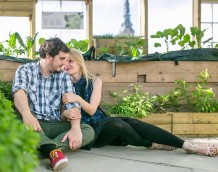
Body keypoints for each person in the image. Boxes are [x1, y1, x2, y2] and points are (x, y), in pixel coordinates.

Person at [62, 48, 218, 157]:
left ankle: (187, 145)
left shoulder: (95, 81)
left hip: (101, 122)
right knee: (119, 124)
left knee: (133, 122)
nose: (66, 64)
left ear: (79, 62)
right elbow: (72, 113)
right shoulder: (63, 84)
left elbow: (92, 109)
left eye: (70, 61)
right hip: (88, 131)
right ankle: (152, 144)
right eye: (64, 62)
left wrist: (76, 98)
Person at [12, 38, 94, 171]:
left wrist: (75, 127)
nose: (65, 63)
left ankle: (41, 150)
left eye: (67, 59)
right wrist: (27, 114)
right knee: (19, 114)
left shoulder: (64, 76)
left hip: (55, 124)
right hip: (34, 122)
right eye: (62, 59)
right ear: (49, 57)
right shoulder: (25, 70)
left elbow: (72, 105)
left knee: (88, 131)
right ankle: (51, 151)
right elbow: (18, 93)